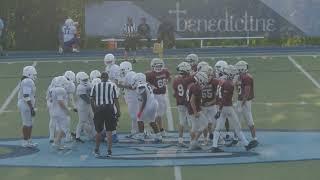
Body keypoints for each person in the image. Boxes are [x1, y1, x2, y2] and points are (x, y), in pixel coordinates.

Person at [210, 65, 257, 153]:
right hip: (226, 107)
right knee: (237, 126)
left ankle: (214, 146)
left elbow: (218, 96)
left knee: (218, 127)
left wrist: (218, 108)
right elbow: (224, 98)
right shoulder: (229, 84)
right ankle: (246, 145)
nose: (235, 75)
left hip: (221, 106)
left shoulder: (221, 81)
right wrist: (219, 110)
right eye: (233, 74)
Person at [90, 72, 120, 157]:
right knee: (109, 131)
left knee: (98, 131)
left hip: (99, 108)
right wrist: (118, 110)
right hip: (109, 108)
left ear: (101, 78)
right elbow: (115, 99)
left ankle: (96, 150)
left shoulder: (95, 86)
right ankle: (109, 151)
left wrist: (94, 109)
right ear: (107, 78)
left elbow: (91, 99)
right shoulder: (111, 86)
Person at [145, 58, 171, 136]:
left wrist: (167, 81)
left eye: (160, 66)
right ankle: (157, 130)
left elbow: (169, 79)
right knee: (157, 114)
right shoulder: (151, 74)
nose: (158, 67)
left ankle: (157, 129)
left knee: (159, 114)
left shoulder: (164, 72)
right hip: (155, 96)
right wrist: (150, 85)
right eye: (157, 66)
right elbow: (145, 82)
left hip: (162, 95)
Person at [234, 60, 258, 144]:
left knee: (249, 120)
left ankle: (255, 139)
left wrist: (242, 103)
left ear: (241, 68)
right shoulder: (239, 77)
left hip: (246, 102)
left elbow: (247, 92)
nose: (236, 70)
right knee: (236, 120)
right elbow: (237, 90)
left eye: (237, 69)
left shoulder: (247, 77)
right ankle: (235, 139)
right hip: (240, 100)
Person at [173, 62, 193, 147]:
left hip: (179, 103)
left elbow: (174, 93)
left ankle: (180, 140)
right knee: (191, 123)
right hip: (187, 103)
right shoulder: (189, 79)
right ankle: (193, 141)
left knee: (181, 121)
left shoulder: (176, 80)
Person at [18, 66, 38, 148]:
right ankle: (25, 141)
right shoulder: (27, 81)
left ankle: (28, 140)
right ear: (29, 74)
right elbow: (26, 96)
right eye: (33, 74)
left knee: (29, 123)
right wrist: (31, 108)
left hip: (25, 104)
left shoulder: (26, 80)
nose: (35, 76)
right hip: (25, 104)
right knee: (27, 124)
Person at [50, 76, 71, 150]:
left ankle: (59, 144)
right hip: (60, 111)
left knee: (58, 128)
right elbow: (60, 102)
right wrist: (66, 109)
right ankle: (56, 142)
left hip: (54, 110)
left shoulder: (52, 89)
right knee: (64, 128)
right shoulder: (60, 90)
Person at [75, 72, 96, 143]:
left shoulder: (89, 84)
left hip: (88, 106)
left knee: (93, 120)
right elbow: (86, 99)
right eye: (84, 80)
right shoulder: (80, 87)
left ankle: (93, 135)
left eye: (86, 79)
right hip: (82, 106)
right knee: (82, 121)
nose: (85, 81)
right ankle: (77, 136)